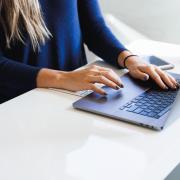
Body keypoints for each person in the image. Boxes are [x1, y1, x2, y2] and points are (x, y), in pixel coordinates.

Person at [0, 0, 178, 103]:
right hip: (19, 104)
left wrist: (129, 59)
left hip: (75, 96)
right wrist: (62, 78)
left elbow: (93, 27)